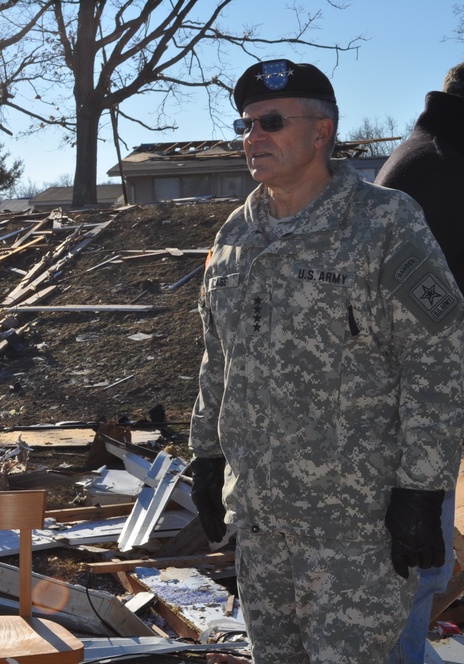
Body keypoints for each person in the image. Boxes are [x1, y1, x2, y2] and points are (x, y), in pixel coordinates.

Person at [189, 58, 464, 663]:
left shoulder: (385, 222)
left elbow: (437, 359)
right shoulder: (235, 235)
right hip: (261, 527)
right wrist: (206, 454)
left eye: (271, 122)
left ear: (322, 132)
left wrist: (422, 488)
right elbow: (218, 359)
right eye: (246, 125)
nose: (252, 137)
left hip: (354, 532)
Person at [375, 62, 464, 664]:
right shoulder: (434, 168)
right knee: (419, 565)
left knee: (428, 561)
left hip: (432, 396)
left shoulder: (435, 155)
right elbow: (428, 320)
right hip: (421, 402)